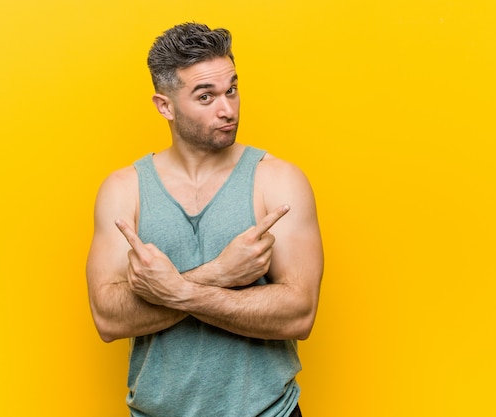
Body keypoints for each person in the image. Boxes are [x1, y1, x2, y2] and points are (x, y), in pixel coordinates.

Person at [86, 22, 323, 417]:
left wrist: (179, 290)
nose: (227, 108)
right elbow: (108, 318)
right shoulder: (124, 190)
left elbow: (299, 314)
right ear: (165, 106)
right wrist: (221, 272)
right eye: (205, 96)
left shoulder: (277, 180)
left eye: (231, 89)